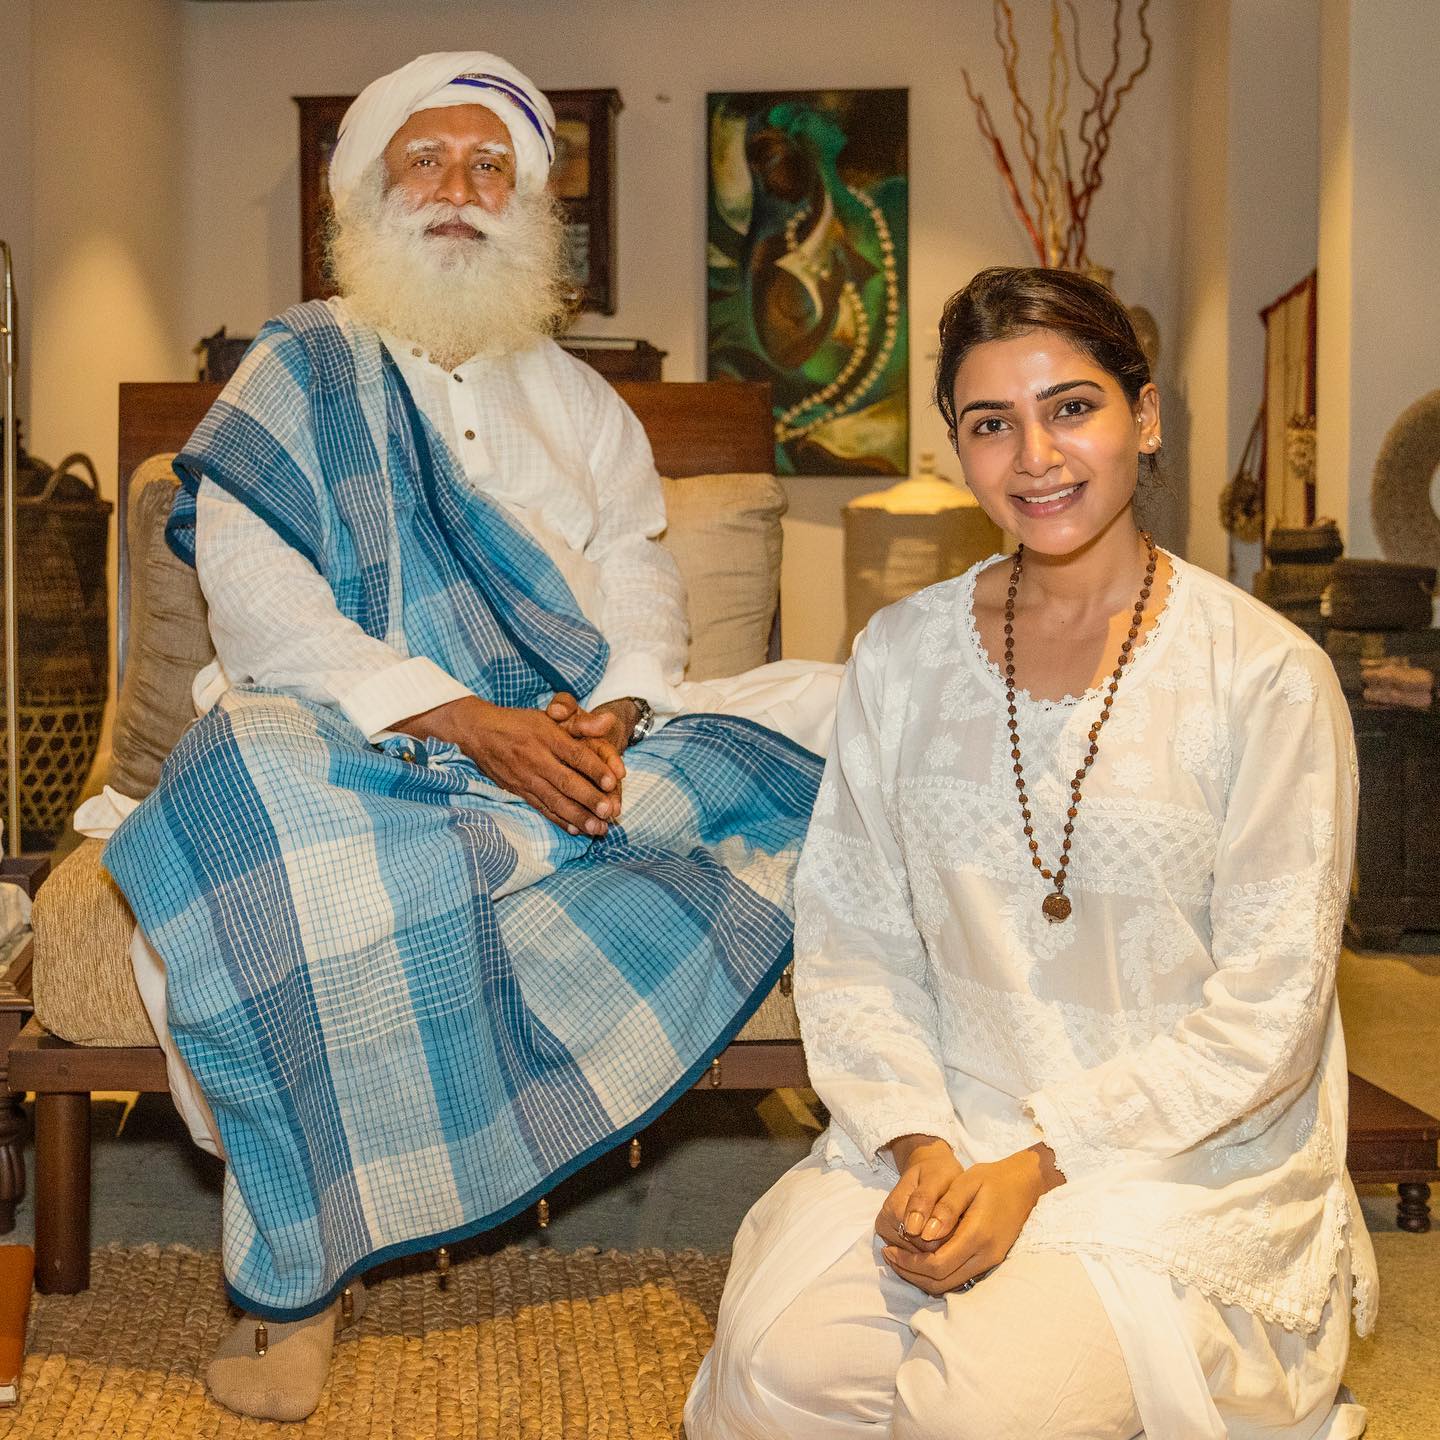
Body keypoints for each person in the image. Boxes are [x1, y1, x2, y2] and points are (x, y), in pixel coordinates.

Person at [94, 51, 839, 1423]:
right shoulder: (295, 368)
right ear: (367, 197)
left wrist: (616, 711)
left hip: (565, 737)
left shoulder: (583, 403)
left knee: (839, 725)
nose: (457, 188)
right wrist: (457, 720)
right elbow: (256, 598)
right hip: (349, 738)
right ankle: (302, 1285)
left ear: (529, 207)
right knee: (245, 789)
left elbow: (640, 573)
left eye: (489, 166)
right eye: (425, 160)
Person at [686, 266, 1377, 1440]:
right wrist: (918, 1140)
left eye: (1072, 408)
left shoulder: (1263, 677)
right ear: (958, 445)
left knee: (975, 1416)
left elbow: (1270, 1012)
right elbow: (851, 939)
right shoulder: (901, 655)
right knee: (779, 1379)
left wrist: (1040, 1162)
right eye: (991, 424)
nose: (1036, 457)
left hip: (1171, 1160)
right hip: (950, 1129)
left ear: (1144, 417)